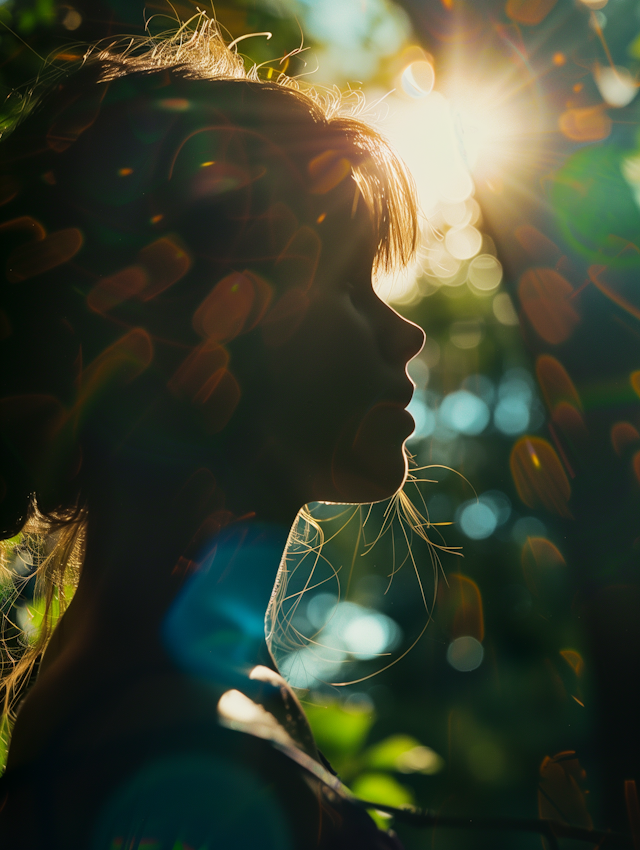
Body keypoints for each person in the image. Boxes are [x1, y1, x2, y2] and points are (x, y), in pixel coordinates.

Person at [0, 16, 425, 849]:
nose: (403, 333)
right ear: (191, 334)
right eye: (346, 281)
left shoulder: (154, 693)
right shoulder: (199, 745)